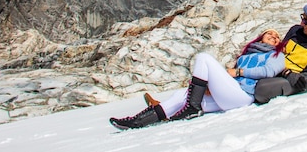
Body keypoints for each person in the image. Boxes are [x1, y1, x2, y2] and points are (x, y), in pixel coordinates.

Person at [109, 28, 286, 130]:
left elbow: (268, 72)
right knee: (181, 95)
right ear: (261, 36)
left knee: (204, 58)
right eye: (270, 33)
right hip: (231, 94)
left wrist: (239, 72)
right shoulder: (247, 55)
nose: (274, 37)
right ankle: (136, 122)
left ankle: (192, 108)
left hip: (243, 96)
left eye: (277, 37)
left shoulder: (276, 55)